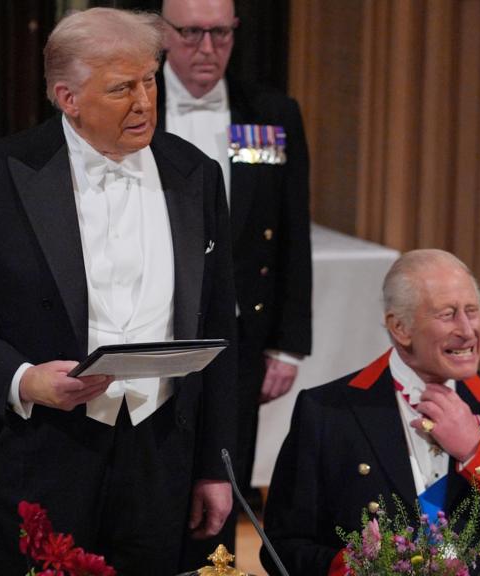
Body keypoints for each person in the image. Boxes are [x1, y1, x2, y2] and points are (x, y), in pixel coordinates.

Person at [0, 8, 238, 576]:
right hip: (39, 450)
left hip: (159, 457)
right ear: (68, 97)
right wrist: (25, 379)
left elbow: (219, 326)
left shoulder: (197, 175)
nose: (144, 101)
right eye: (121, 88)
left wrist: (214, 466)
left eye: (149, 80)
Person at [262, 249, 480, 576]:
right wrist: (359, 569)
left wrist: (477, 451)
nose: (467, 330)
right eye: (447, 314)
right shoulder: (328, 413)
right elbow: (284, 546)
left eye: (472, 311)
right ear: (400, 327)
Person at [157, 0, 313, 563]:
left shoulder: (271, 113)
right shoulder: (134, 104)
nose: (207, 48)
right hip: (155, 317)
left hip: (243, 329)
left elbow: (294, 227)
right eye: (193, 33)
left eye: (220, 33)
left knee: (226, 474)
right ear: (163, 33)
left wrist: (288, 343)